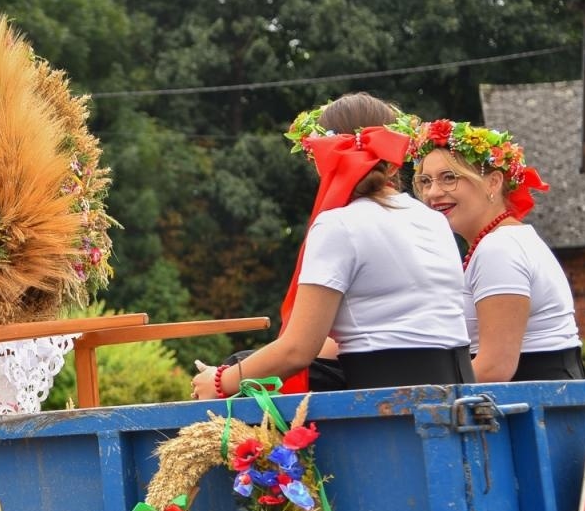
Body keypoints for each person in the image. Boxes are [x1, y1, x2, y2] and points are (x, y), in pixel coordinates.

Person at [192, 93, 471, 399]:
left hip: (386, 401)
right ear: (393, 161)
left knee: (240, 372)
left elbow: (297, 350)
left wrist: (218, 381)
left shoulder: (339, 225)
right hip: (459, 389)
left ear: (320, 159)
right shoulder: (432, 219)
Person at [411, 119, 585, 382]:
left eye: (449, 178)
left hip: (531, 401)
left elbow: (495, 368)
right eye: (425, 181)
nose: (433, 193)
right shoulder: (505, 241)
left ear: (493, 182)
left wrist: (423, 395)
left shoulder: (499, 249)